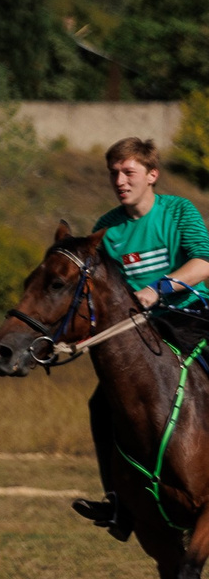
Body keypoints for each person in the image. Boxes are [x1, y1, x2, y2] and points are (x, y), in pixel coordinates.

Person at [73, 137, 209, 538]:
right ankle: (118, 501)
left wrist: (158, 289)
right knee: (102, 404)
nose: (119, 180)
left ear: (152, 175)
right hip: (142, 334)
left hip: (193, 317)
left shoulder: (178, 211)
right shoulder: (106, 228)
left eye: (128, 171)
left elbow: (203, 262)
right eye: (113, 172)